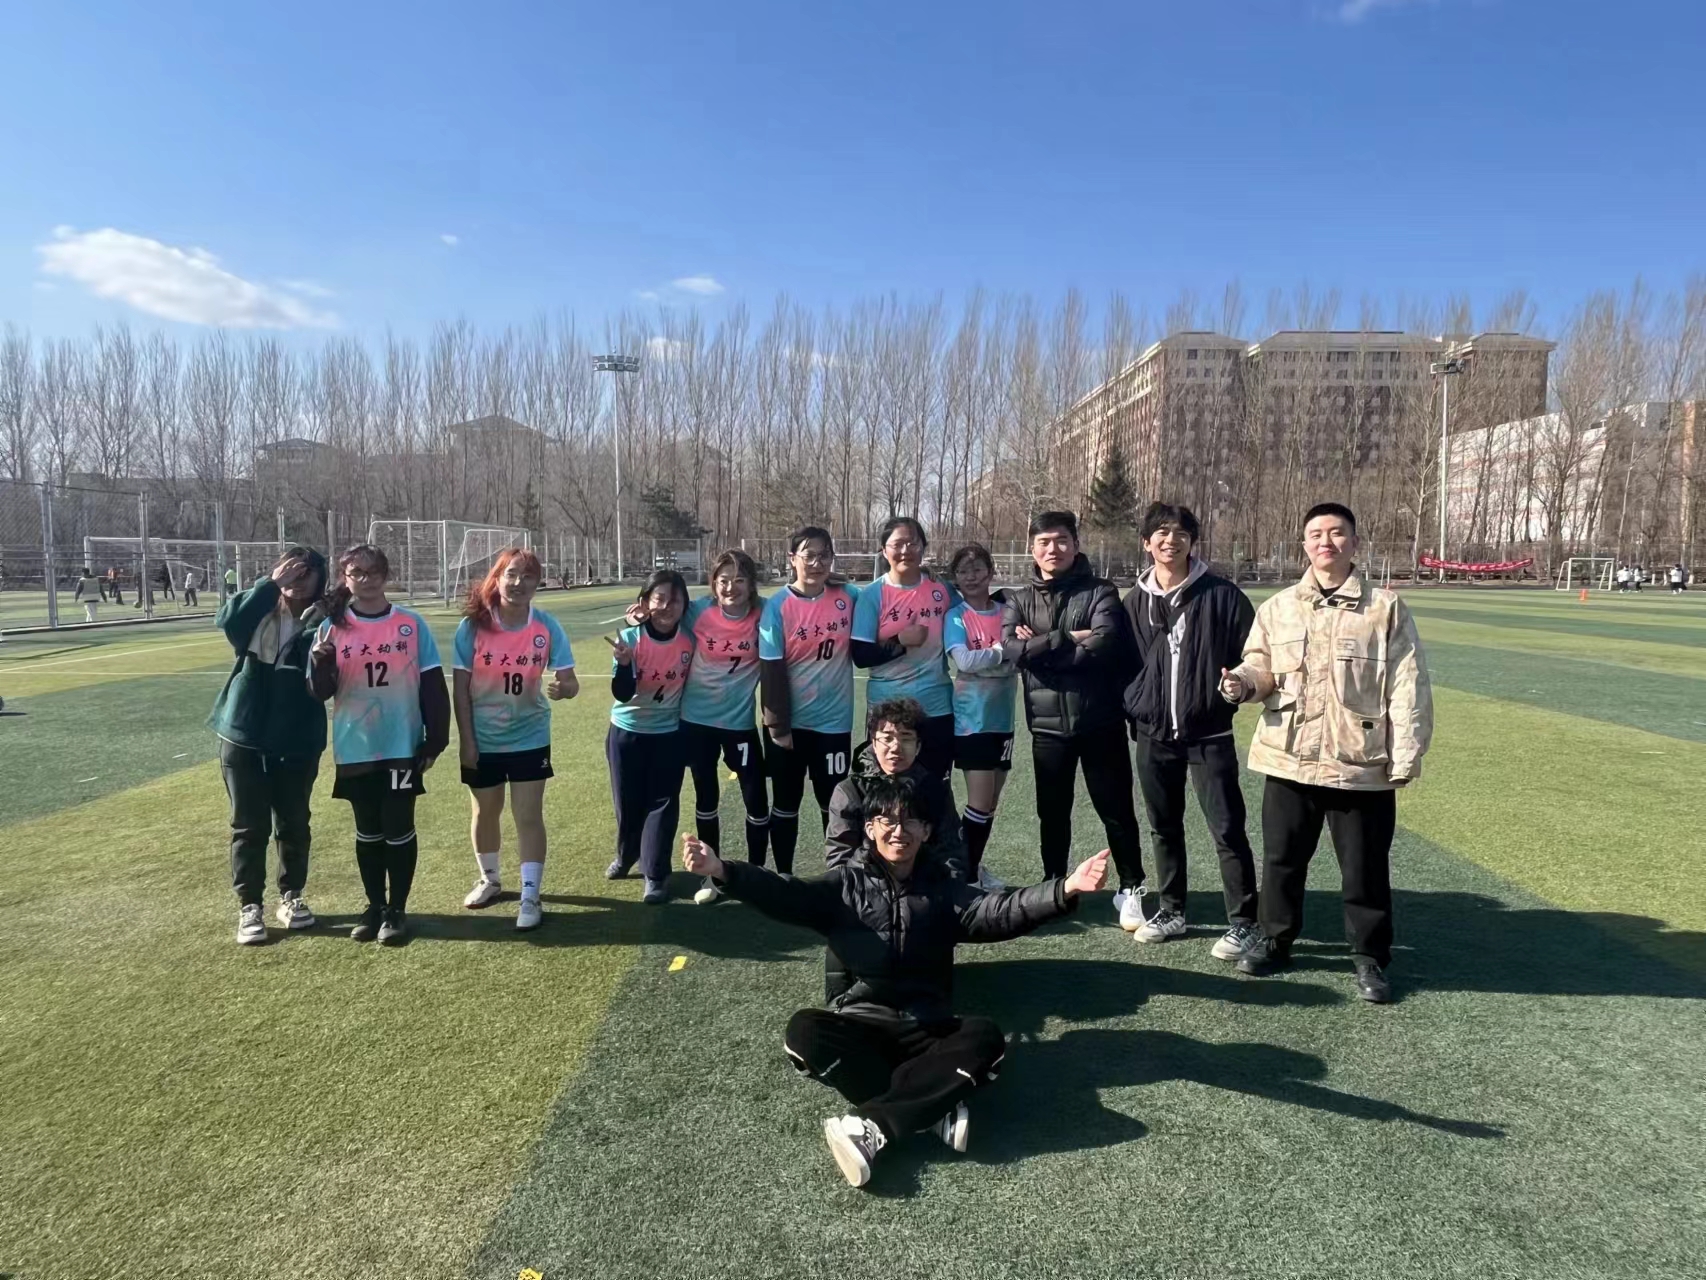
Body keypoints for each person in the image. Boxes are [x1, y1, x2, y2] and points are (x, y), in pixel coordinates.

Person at [682, 774, 1110, 1188]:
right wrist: (722, 870)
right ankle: (933, 1105)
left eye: (910, 821)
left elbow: (1000, 911)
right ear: (869, 829)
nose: (898, 831)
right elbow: (784, 892)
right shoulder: (843, 886)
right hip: (862, 1024)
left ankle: (872, 1125)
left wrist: (1066, 888)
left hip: (928, 1029)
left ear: (926, 831)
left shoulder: (944, 890)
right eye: (886, 820)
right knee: (803, 1033)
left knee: (985, 1039)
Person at [1220, 502, 1433, 1004]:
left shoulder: (1385, 609)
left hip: (1358, 763)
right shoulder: (1279, 607)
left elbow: (1409, 686)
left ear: (1354, 543)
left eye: (1337, 533)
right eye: (1316, 534)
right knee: (1282, 861)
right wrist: (1241, 684)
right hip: (1289, 756)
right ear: (1304, 545)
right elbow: (1260, 666)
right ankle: (1275, 940)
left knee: (1364, 868)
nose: (1326, 542)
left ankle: (1370, 957)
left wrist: (1405, 754)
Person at [1122, 503, 1259, 959]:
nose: (1171, 540)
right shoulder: (1134, 601)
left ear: (1192, 542)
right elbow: (1122, 663)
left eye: (1181, 532)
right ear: (1147, 542)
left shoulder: (1222, 595)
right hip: (1153, 733)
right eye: (1161, 532)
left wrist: (1237, 684)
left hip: (1209, 733)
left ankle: (1243, 921)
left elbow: (1255, 654)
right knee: (1163, 826)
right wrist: (1137, 706)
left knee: (1227, 828)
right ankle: (1172, 910)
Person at [1000, 510, 1147, 924]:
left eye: (1062, 540)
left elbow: (1104, 643)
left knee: (1116, 810)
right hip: (1047, 728)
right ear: (1032, 548)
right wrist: (1068, 639)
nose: (1054, 549)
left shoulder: (1101, 591)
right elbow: (1012, 650)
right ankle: (1054, 886)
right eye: (1044, 542)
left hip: (1100, 722)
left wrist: (1043, 646)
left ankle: (1131, 887)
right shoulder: (1017, 599)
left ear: (1076, 544)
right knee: (1052, 813)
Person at [309, 544, 450, 945]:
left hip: (401, 745)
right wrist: (321, 663)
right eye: (356, 573)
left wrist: (435, 741)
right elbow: (319, 692)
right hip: (356, 745)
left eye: (373, 572)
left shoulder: (410, 624)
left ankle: (397, 909)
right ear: (345, 578)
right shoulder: (332, 627)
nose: (365, 580)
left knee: (399, 826)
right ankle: (374, 905)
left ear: (386, 576)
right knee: (367, 830)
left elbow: (433, 685)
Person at [208, 548, 330, 945]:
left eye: (307, 572)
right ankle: (250, 906)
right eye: (292, 570)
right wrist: (270, 584)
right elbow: (228, 621)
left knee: (294, 821)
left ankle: (292, 895)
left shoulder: (325, 619)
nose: (298, 579)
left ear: (320, 579)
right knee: (248, 824)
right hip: (243, 733)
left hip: (298, 736)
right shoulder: (259, 609)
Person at [453, 547, 578, 930]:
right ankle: (490, 880)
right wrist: (467, 741)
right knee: (484, 811)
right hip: (483, 738)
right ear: (497, 578)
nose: (519, 582)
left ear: (538, 583)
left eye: (528, 576)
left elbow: (570, 682)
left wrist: (564, 689)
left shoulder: (546, 626)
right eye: (511, 574)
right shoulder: (473, 626)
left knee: (528, 815)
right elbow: (460, 690)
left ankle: (530, 895)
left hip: (530, 736)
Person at [758, 527, 861, 873]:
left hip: (833, 725)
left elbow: (885, 596)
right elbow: (771, 669)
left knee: (835, 804)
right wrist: (778, 726)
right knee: (785, 804)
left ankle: (838, 876)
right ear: (792, 559)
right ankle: (784, 875)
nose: (817, 563)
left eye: (824, 556)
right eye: (809, 555)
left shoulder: (848, 596)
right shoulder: (778, 606)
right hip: (789, 727)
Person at [676, 549, 772, 905]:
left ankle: (757, 875)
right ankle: (712, 876)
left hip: (739, 724)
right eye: (724, 580)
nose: (731, 587)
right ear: (713, 583)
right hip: (696, 721)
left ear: (752, 584)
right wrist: (641, 613)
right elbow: (664, 615)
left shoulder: (765, 612)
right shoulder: (698, 611)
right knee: (706, 797)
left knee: (756, 798)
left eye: (739, 580)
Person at [605, 569, 694, 904]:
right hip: (626, 733)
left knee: (662, 804)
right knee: (628, 803)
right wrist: (624, 664)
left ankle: (655, 874)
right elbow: (622, 693)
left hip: (668, 734)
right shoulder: (630, 639)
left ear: (685, 605)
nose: (667, 607)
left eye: (675, 600)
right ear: (645, 602)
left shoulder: (689, 640)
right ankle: (627, 854)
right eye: (660, 599)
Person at [852, 517, 956, 782]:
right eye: (897, 544)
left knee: (935, 788)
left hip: (936, 707)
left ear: (923, 547)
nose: (906, 550)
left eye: (913, 543)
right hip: (887, 709)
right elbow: (860, 655)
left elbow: (973, 611)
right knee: (887, 790)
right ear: (883, 550)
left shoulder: (942, 589)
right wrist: (899, 640)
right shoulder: (872, 595)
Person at [942, 544, 1018, 890]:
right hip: (972, 720)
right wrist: (1003, 651)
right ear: (955, 578)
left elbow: (1021, 658)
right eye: (963, 571)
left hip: (1003, 720)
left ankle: (971, 867)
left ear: (991, 571)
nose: (971, 577)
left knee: (991, 804)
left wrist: (996, 658)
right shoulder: (956, 616)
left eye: (977, 569)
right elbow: (965, 661)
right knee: (980, 802)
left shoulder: (1008, 611)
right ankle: (964, 875)